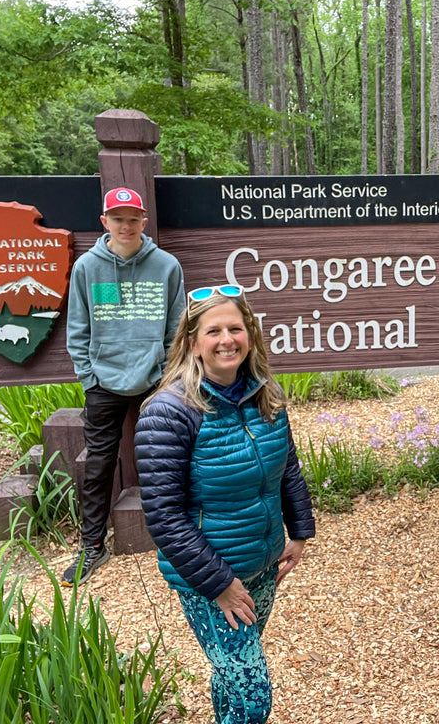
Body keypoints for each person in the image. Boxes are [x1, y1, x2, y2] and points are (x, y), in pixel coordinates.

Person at [134, 284, 315, 724]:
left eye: (235, 327)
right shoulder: (168, 412)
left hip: (264, 563)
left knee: (229, 669)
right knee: (253, 696)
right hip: (210, 580)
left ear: (249, 334)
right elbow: (164, 515)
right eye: (214, 331)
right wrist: (219, 585)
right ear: (193, 342)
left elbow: (286, 467)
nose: (226, 339)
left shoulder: (264, 394)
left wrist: (300, 532)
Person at [62, 186, 186, 586]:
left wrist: (167, 375)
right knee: (99, 464)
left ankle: (182, 540)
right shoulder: (87, 268)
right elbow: (77, 329)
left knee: (169, 458)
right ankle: (91, 547)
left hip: (155, 378)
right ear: (105, 223)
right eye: (118, 218)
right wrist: (89, 376)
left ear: (143, 222)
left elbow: (176, 329)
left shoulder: (166, 266)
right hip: (104, 379)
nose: (126, 225)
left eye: (133, 218)